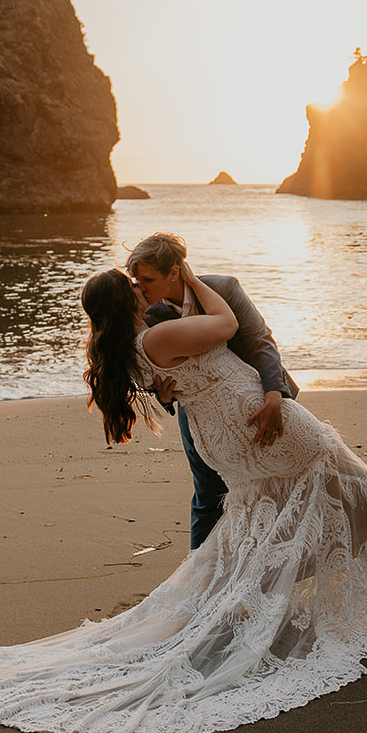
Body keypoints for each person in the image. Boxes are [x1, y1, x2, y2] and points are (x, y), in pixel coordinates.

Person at [0, 261, 367, 733]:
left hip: (221, 436)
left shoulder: (124, 347)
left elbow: (184, 374)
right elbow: (225, 326)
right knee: (327, 461)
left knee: (272, 506)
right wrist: (194, 276)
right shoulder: (157, 334)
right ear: (127, 298)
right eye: (131, 284)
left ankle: (273, 582)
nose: (140, 288)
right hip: (248, 418)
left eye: (144, 279)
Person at [124, 232, 295, 550]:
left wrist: (275, 397)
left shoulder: (223, 288)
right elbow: (151, 372)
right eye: (135, 278)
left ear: (173, 272)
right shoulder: (147, 315)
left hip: (260, 402)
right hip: (201, 418)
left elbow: (260, 341)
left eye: (147, 278)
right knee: (208, 496)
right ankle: (197, 580)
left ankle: (268, 568)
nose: (140, 287)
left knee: (276, 488)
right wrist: (164, 397)